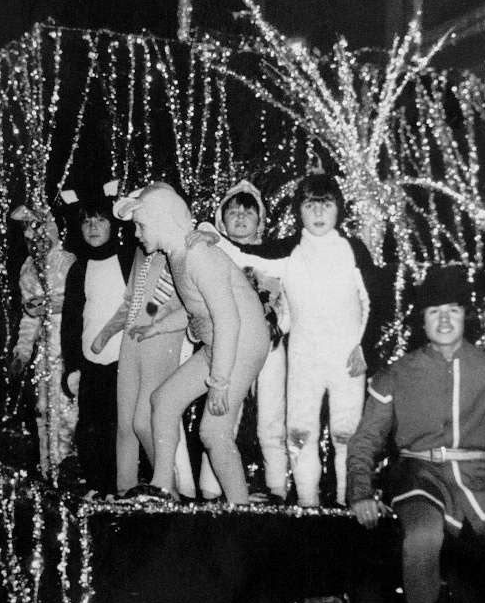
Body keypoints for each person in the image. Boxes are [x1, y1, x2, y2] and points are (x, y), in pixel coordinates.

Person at [347, 263, 485, 603]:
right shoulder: (394, 375)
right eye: (433, 312)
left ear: (466, 316)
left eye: (453, 310)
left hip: (483, 478)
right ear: (421, 321)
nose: (444, 320)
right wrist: (360, 492)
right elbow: (366, 439)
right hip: (419, 473)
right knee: (422, 535)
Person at [199, 173, 372, 508]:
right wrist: (210, 236)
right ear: (299, 211)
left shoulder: (354, 249)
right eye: (310, 205)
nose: (319, 213)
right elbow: (244, 255)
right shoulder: (289, 250)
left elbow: (374, 301)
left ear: (339, 209)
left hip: (348, 359)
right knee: (299, 435)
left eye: (326, 204)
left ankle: (344, 507)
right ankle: (307, 505)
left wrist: (366, 346)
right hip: (305, 360)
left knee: (345, 434)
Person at [117, 182, 271, 505]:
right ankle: (162, 487)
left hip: (240, 343)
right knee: (163, 400)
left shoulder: (197, 254)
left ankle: (240, 508)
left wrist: (219, 381)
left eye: (141, 225)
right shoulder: (178, 256)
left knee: (212, 433)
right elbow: (194, 312)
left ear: (162, 219)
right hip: (224, 342)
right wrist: (155, 328)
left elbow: (228, 319)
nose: (137, 234)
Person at [91, 210, 196, 499]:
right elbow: (131, 301)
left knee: (144, 420)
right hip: (132, 340)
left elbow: (184, 304)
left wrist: (154, 320)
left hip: (160, 340)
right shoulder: (142, 253)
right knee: (125, 422)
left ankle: (168, 486)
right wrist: (106, 332)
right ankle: (124, 489)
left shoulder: (180, 253)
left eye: (142, 225)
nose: (136, 232)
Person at [198, 180, 289, 503]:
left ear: (259, 219)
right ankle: (210, 489)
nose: (239, 218)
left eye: (247, 212)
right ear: (221, 218)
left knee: (271, 420)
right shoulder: (214, 254)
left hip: (272, 346)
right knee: (222, 416)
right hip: (231, 348)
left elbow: (287, 301)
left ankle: (278, 489)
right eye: (232, 212)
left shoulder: (275, 256)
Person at [61, 190, 133, 497]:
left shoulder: (128, 259)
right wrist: (72, 367)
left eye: (101, 220)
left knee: (122, 427)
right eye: (87, 221)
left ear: (113, 225)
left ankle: (121, 488)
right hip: (91, 365)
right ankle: (96, 486)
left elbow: (148, 304)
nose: (93, 227)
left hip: (126, 360)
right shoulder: (78, 269)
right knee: (91, 428)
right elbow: (71, 322)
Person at [9, 206, 76, 478]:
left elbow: (78, 303)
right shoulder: (27, 269)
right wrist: (22, 353)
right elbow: (29, 318)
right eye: (28, 237)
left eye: (38, 234)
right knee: (43, 411)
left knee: (69, 411)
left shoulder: (67, 262)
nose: (34, 241)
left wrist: (50, 304)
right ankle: (50, 472)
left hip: (69, 347)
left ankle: (72, 471)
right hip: (44, 355)